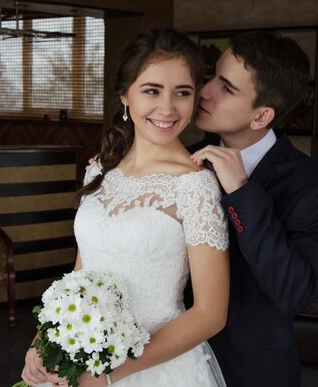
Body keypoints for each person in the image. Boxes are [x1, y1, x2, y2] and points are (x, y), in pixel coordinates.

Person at [21, 28, 230, 387]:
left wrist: (105, 375)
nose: (167, 108)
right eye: (152, 90)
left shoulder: (195, 186)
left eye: (182, 93)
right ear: (124, 95)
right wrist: (43, 341)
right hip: (75, 360)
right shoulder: (100, 169)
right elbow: (82, 271)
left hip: (155, 370)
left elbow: (211, 314)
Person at [188, 31, 318, 387]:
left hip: (252, 369)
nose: (204, 91)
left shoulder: (312, 186)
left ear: (261, 116)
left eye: (226, 88)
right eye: (212, 76)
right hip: (170, 357)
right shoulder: (184, 160)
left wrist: (241, 192)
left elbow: (297, 291)